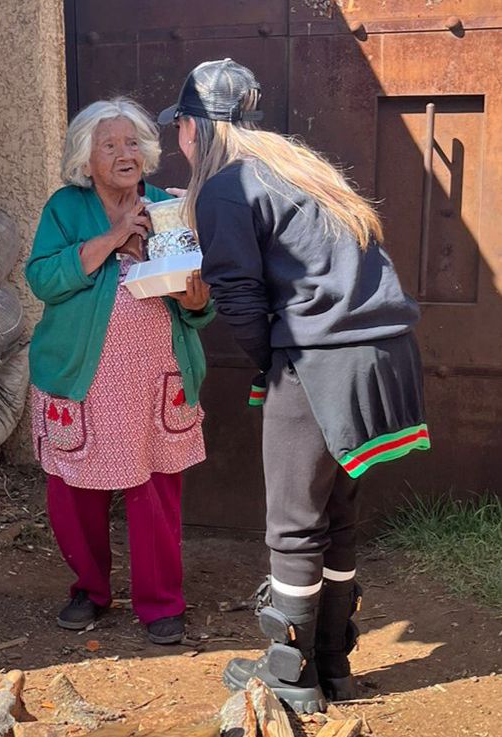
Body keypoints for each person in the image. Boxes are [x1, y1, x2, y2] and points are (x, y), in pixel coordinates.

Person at [158, 60, 429, 711]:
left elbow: (243, 300)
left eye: (180, 129)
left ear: (194, 127)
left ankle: (291, 675)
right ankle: (332, 661)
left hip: (322, 357)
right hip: (386, 353)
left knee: (293, 523)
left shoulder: (225, 186)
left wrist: (275, 365)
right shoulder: (302, 168)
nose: (178, 141)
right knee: (336, 512)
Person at [26, 97, 214, 645]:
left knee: (154, 491)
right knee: (74, 493)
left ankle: (161, 603)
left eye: (132, 143)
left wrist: (198, 300)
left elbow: (198, 306)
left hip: (155, 378)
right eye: (109, 145)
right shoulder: (66, 208)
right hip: (83, 380)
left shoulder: (170, 207)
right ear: (88, 160)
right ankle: (90, 589)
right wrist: (113, 239)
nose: (124, 154)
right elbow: (42, 279)